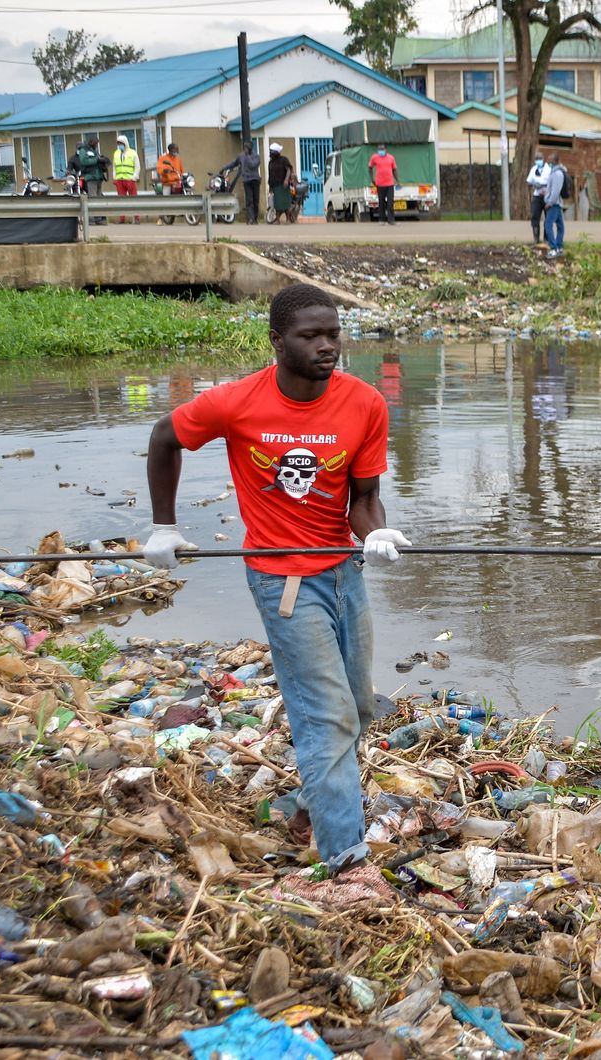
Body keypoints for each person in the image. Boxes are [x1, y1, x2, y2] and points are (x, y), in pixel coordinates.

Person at [143, 283, 409, 878]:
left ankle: (307, 807)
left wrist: (376, 534)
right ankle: (347, 863)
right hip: (283, 580)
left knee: (361, 708)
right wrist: (163, 526)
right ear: (277, 341)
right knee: (327, 716)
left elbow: (363, 500)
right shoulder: (237, 402)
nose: (326, 347)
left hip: (343, 570)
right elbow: (165, 437)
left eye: (333, 334)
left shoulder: (364, 404)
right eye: (309, 336)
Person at [220, 142, 263, 224]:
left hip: (255, 179)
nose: (245, 148)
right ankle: (250, 218)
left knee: (255, 199)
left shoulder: (256, 156)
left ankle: (255, 218)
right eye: (244, 146)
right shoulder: (241, 156)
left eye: (247, 146)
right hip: (246, 180)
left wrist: (247, 156)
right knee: (249, 199)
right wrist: (224, 168)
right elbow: (233, 163)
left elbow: (252, 165)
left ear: (251, 147)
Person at [69, 137, 106, 222]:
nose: (96, 145)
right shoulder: (79, 154)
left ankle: (100, 218)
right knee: (92, 198)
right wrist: (96, 160)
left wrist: (102, 161)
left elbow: (96, 159)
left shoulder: (94, 151)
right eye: (95, 143)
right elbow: (83, 162)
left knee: (99, 198)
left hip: (98, 177)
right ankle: (91, 218)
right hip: (87, 177)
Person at [111, 134, 141, 223]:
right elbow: (114, 167)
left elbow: (137, 166)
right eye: (118, 143)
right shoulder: (116, 153)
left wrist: (134, 177)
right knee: (121, 200)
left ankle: (137, 218)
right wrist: (115, 177)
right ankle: (122, 218)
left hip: (130, 180)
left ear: (125, 143)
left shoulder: (133, 153)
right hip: (119, 180)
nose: (119, 145)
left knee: (134, 200)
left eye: (121, 143)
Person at [543, 151, 567, 258]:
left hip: (554, 204)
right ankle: (559, 247)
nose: (548, 161)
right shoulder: (554, 172)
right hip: (557, 203)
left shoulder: (557, 174)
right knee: (560, 226)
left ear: (555, 161)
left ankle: (553, 248)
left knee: (548, 225)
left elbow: (556, 191)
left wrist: (550, 202)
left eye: (550, 160)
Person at [368, 143, 397, 225]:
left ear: (386, 149)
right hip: (380, 184)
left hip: (389, 184)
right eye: (379, 149)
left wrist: (397, 180)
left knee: (390, 202)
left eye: (382, 149)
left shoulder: (391, 158)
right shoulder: (374, 157)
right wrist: (372, 178)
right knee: (381, 202)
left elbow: (394, 169)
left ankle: (391, 220)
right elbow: (370, 167)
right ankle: (382, 219)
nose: (381, 151)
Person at [267, 142, 296, 222]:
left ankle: (288, 219)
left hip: (283, 185)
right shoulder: (271, 163)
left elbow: (288, 170)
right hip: (275, 186)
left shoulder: (283, 160)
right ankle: (278, 219)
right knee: (277, 204)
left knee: (285, 203)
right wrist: (270, 187)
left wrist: (286, 179)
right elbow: (270, 175)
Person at [525, 154, 548, 246]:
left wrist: (544, 186)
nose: (538, 161)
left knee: (547, 218)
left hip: (546, 196)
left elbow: (551, 182)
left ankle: (546, 238)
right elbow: (528, 181)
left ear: (543, 159)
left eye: (540, 159)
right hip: (537, 195)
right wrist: (534, 185)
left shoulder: (548, 169)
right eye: (537, 159)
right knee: (535, 216)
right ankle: (536, 238)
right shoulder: (534, 169)